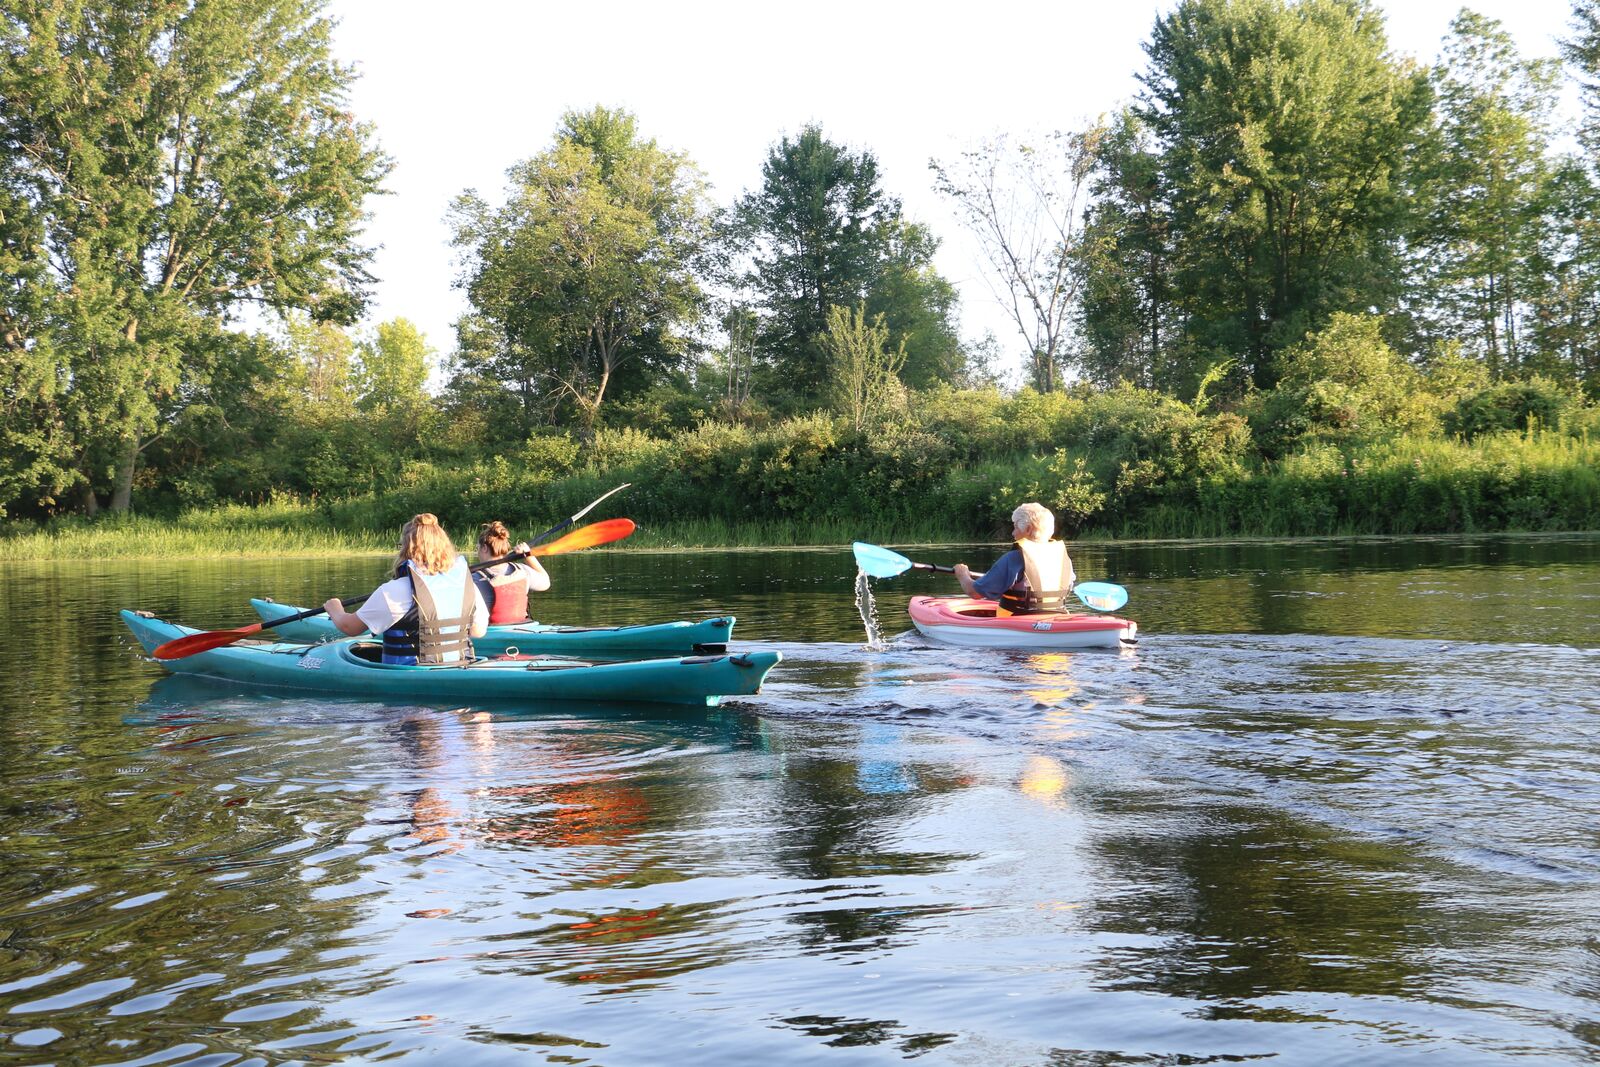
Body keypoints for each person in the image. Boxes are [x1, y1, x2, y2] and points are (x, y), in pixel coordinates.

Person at [324, 513, 488, 664]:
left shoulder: (394, 590)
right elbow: (478, 631)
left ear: (406, 549)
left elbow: (349, 627)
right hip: (460, 665)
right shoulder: (468, 586)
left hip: (411, 671)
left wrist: (334, 609)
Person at [953, 502, 1076, 616]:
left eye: (1015, 527)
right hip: (1057, 618)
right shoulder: (1064, 560)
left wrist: (962, 574)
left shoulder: (1014, 558)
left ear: (1028, 529)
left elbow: (974, 592)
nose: (1013, 533)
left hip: (1019, 620)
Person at [471, 520, 551, 624]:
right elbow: (546, 583)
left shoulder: (474, 579)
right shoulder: (522, 570)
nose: (477, 552)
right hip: (523, 627)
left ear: (485, 548)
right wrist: (528, 556)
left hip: (491, 630)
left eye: (477, 548)